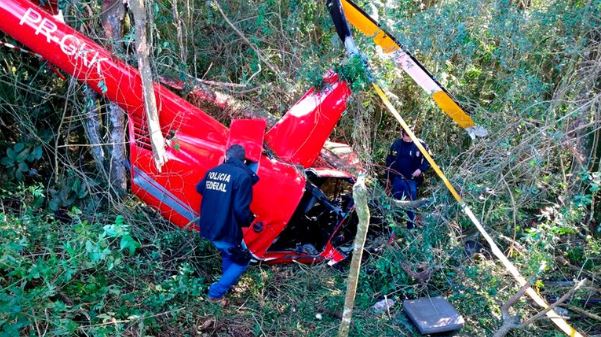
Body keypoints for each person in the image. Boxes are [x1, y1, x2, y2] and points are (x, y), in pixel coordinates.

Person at [196, 144, 259, 303]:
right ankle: (215, 294)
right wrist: (249, 219)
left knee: (229, 253)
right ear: (243, 160)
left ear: (226, 156)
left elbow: (199, 188)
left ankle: (227, 284)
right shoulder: (243, 177)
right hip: (225, 228)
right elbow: (240, 210)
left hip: (208, 225)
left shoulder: (213, 172)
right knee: (242, 260)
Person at [385, 128, 430, 229]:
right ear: (402, 134)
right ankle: (395, 227)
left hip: (411, 179)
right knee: (396, 201)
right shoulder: (396, 144)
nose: (408, 139)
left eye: (410, 136)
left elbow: (429, 159)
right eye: (406, 136)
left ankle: (411, 227)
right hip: (397, 178)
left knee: (411, 202)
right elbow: (389, 160)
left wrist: (421, 169)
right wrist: (388, 176)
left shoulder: (421, 145)